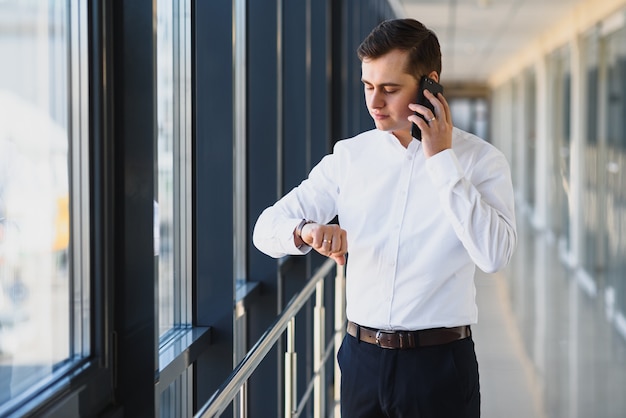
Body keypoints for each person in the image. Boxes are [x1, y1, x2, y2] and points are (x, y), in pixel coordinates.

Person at [253, 18, 517, 418]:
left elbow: (495, 255)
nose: (374, 103)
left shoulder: (481, 161)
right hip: (362, 363)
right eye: (368, 87)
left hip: (439, 366)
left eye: (390, 89)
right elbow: (264, 229)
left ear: (430, 84)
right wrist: (306, 231)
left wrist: (442, 161)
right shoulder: (349, 157)